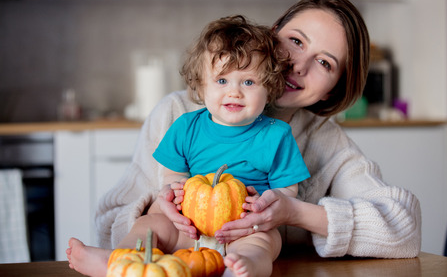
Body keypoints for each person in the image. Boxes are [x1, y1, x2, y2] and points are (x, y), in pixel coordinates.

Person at [94, 0, 420, 275]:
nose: (298, 65)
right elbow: (108, 222)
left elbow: (404, 230)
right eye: (295, 41)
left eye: (325, 63)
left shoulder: (326, 142)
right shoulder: (178, 113)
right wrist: (160, 209)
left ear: (332, 91)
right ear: (271, 34)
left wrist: (295, 212)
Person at [67, 15, 311, 277]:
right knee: (151, 223)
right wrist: (176, 190)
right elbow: (171, 175)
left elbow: (288, 190)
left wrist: (264, 205)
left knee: (267, 241)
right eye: (221, 81)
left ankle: (246, 265)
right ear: (201, 84)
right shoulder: (185, 126)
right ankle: (120, 261)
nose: (234, 92)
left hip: (243, 228)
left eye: (248, 82)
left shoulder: (277, 135)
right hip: (188, 227)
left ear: (270, 88)